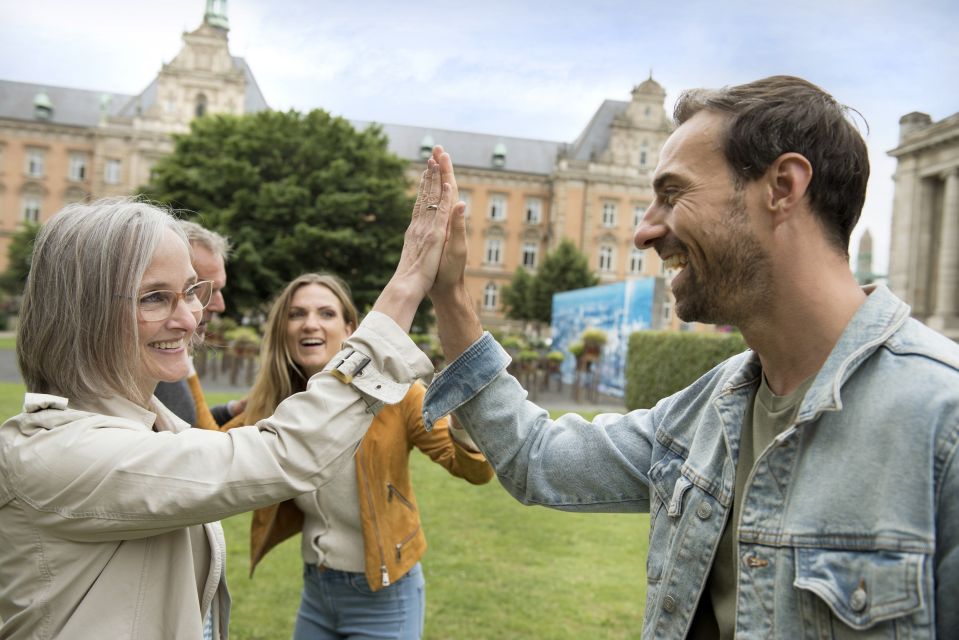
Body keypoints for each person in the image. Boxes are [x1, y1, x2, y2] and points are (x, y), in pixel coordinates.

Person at [420, 78, 959, 638]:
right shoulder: (711, 407)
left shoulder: (942, 420)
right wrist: (452, 297)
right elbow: (539, 458)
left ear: (783, 186)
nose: (644, 231)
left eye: (673, 194)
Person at [0, 152, 460, 639]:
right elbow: (287, 452)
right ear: (82, 311)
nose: (190, 317)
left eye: (190, 291)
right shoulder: (60, 453)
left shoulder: (151, 425)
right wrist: (409, 282)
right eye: (155, 297)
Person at [219, 273, 492, 639]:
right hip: (317, 589)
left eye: (326, 313)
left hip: (384, 594)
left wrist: (463, 427)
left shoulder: (397, 394)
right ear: (282, 328)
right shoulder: (279, 404)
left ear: (351, 328)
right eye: (296, 314)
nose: (310, 323)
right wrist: (192, 380)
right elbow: (209, 452)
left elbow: (474, 470)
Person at [154, 220, 240, 428]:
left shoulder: (170, 357)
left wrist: (232, 409)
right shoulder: (154, 362)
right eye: (195, 289)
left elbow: (185, 422)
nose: (220, 305)